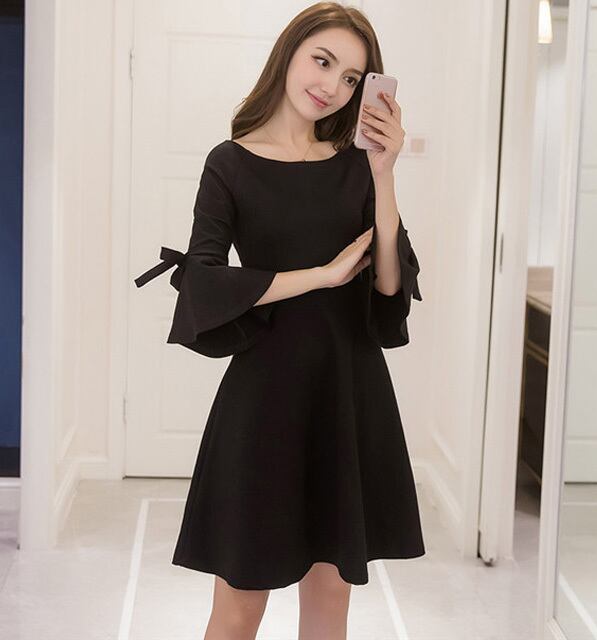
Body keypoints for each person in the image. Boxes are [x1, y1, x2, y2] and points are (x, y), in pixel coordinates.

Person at [134, 2, 426, 639]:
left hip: (348, 392)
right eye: (323, 61)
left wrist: (383, 173)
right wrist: (319, 276)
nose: (332, 85)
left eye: (351, 78)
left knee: (329, 600)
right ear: (289, 53)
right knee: (240, 605)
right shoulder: (230, 162)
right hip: (265, 399)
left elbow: (388, 283)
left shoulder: (356, 164)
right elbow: (204, 279)